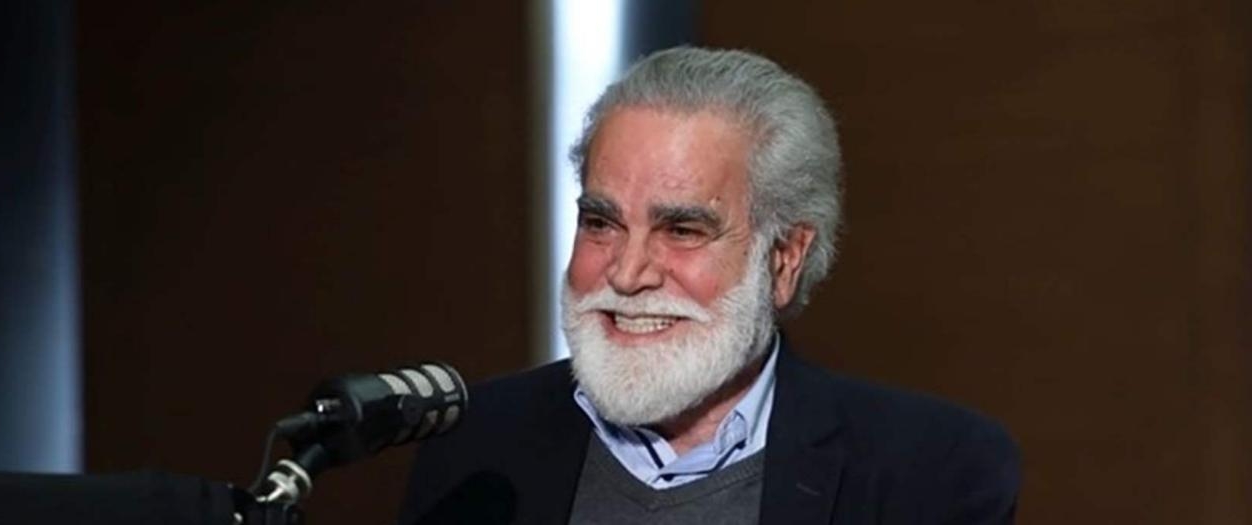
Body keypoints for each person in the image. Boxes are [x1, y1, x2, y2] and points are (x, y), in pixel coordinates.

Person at [397, 46, 1020, 525]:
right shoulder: (474, 446)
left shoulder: (928, 473)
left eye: (682, 230)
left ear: (784, 260)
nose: (627, 273)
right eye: (601, 223)